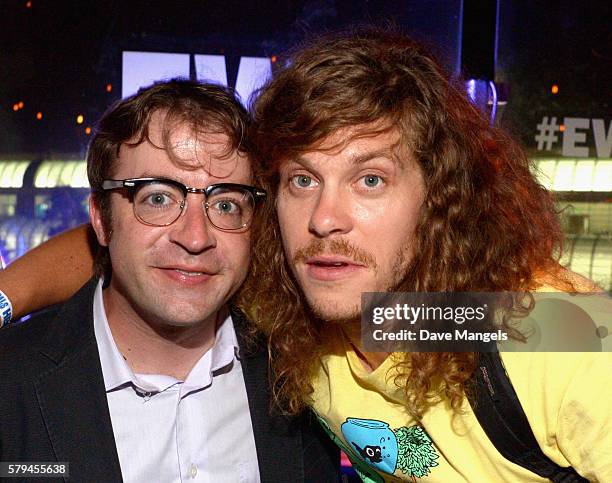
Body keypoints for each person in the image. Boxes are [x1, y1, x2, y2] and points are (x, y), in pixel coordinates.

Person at [1, 29, 610, 482]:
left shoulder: (538, 329)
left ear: (439, 200)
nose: (325, 218)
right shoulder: (311, 326)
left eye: (370, 180)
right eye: (301, 180)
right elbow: (145, 252)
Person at [0, 79, 338, 482]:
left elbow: (422, 320)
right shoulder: (12, 386)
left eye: (226, 204)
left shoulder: (307, 360)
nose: (195, 237)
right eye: (157, 199)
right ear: (101, 220)